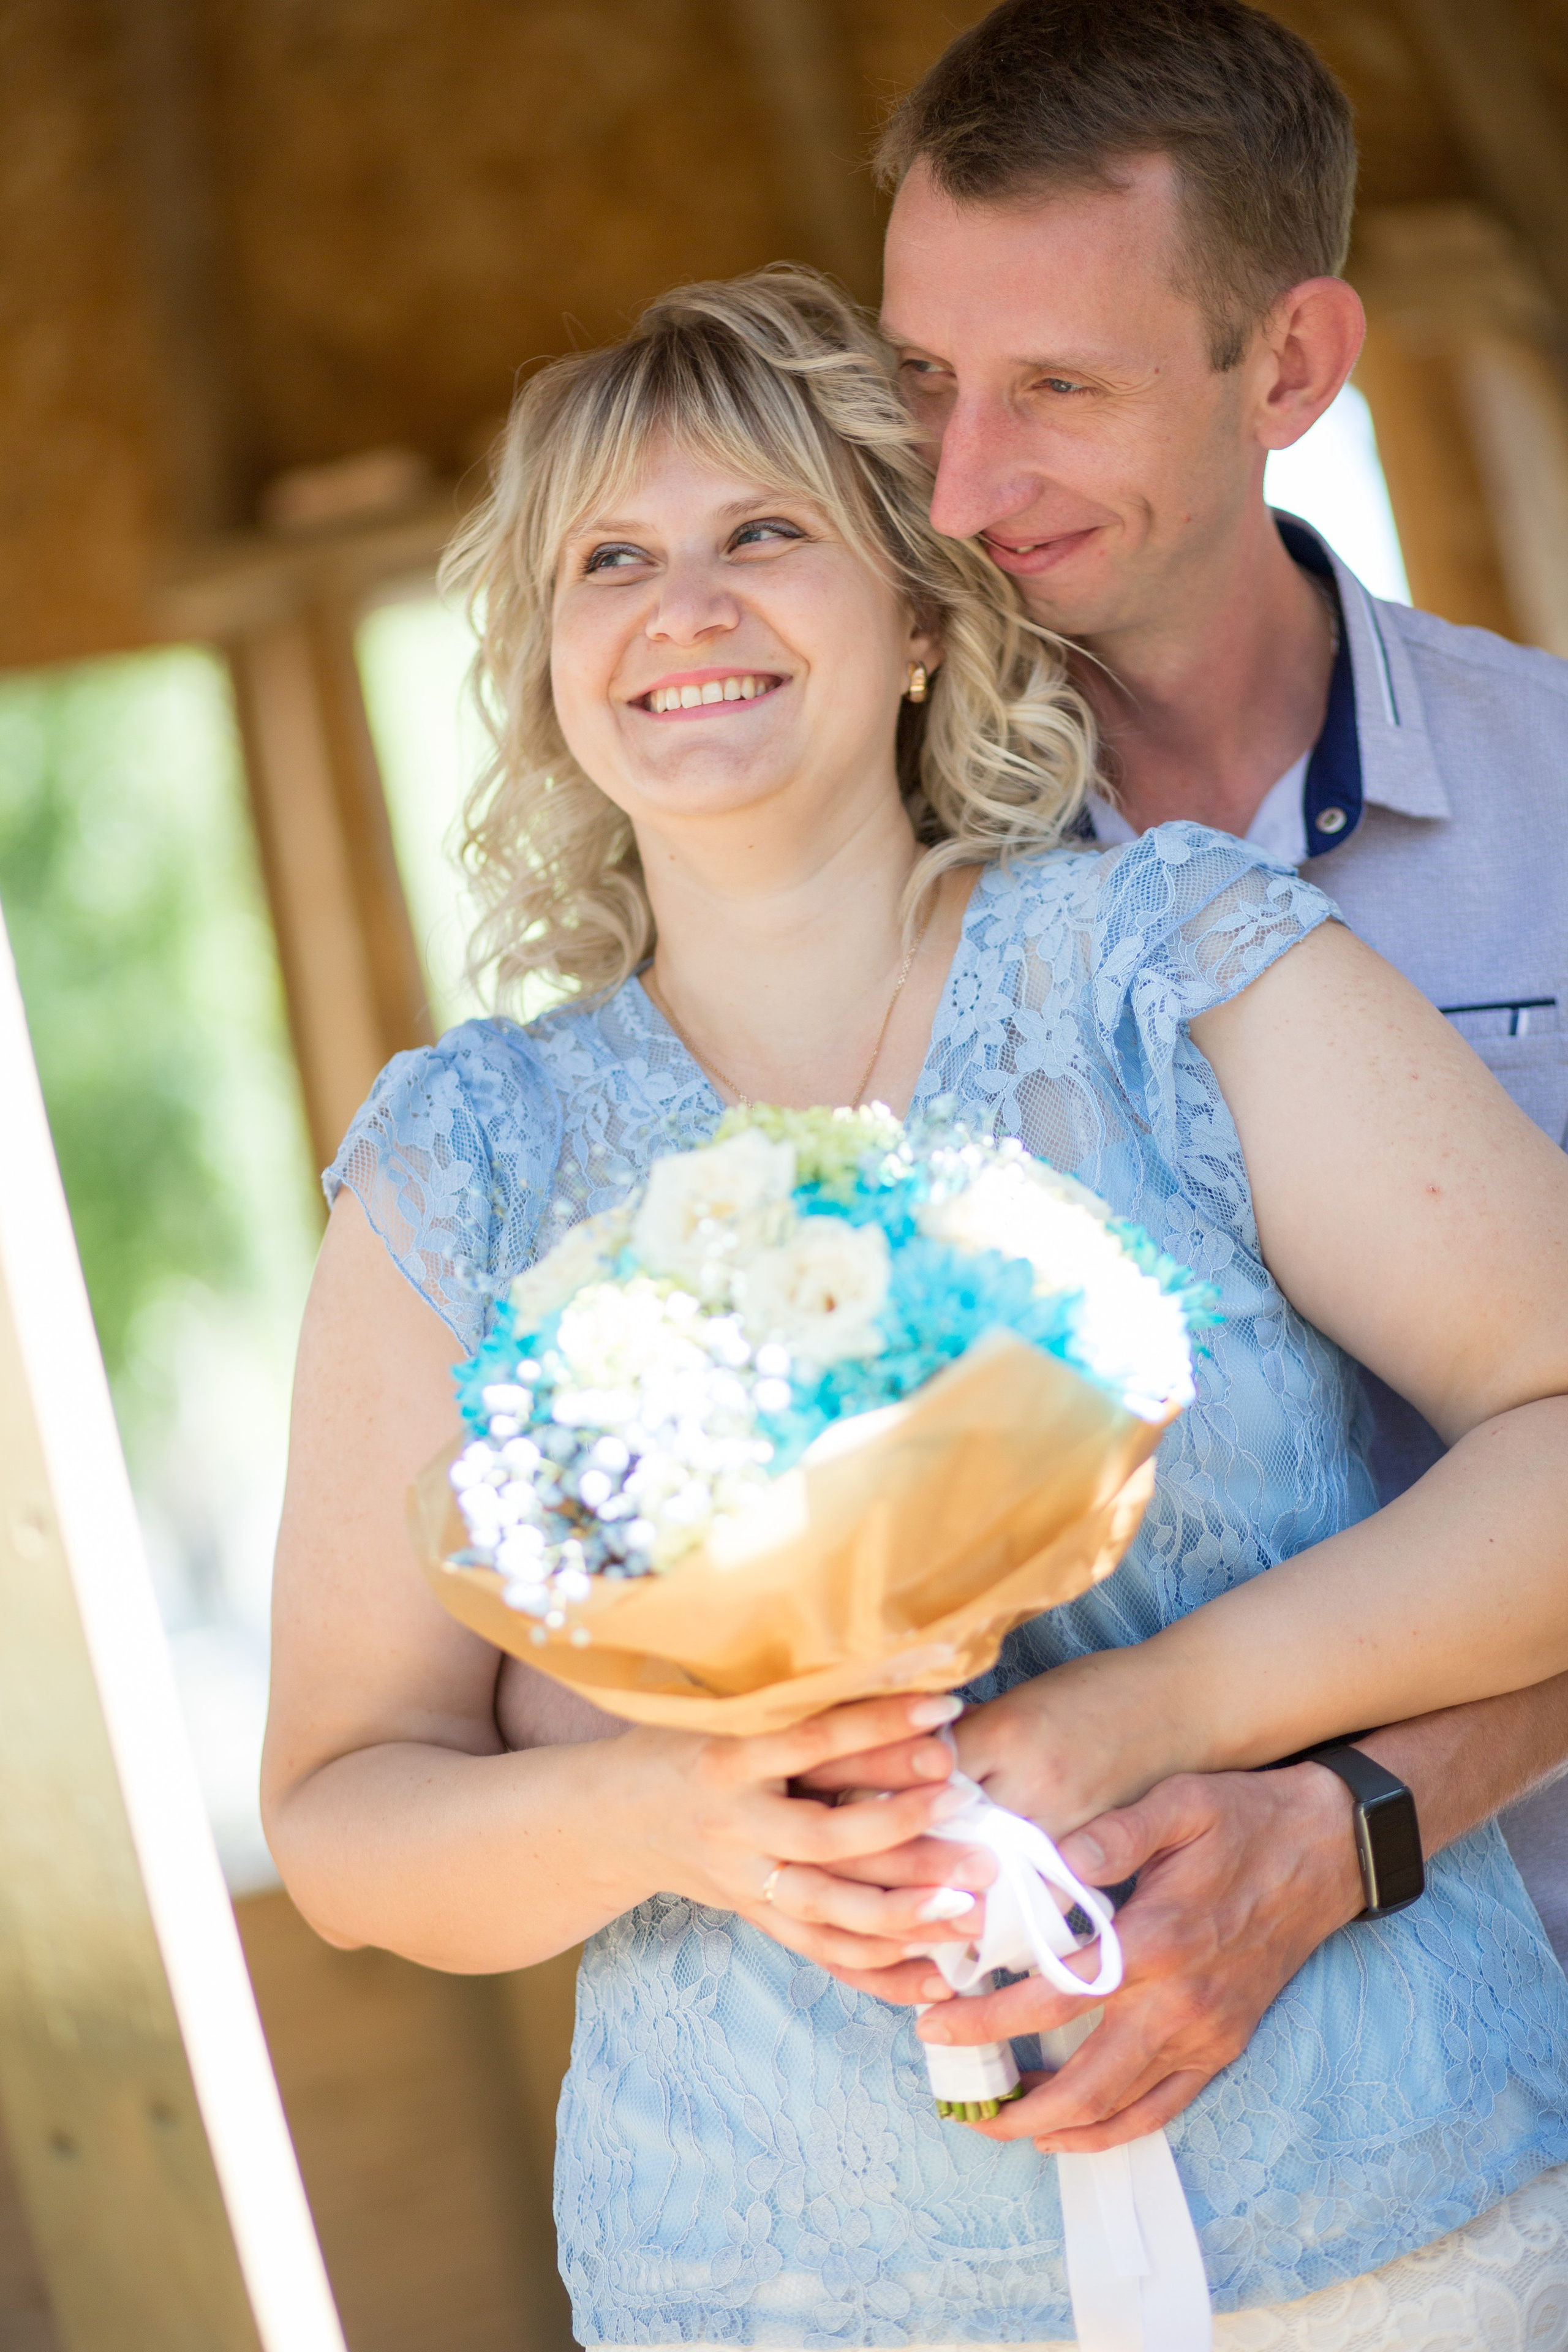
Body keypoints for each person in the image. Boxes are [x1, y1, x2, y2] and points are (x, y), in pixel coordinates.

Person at [262, 270, 1568, 2346]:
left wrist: (1147, 1716)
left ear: (929, 618)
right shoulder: (464, 1166)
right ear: (546, 674)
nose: (683, 606)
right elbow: (345, 1812)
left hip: (1399, 2226)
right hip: (774, 2287)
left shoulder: (1176, 970)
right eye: (611, 561)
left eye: (763, 532)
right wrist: (687, 1816)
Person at [854, 0, 1568, 2199]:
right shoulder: (855, 904)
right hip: (1144, 2161)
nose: (961, 490)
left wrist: (1349, 1827)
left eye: (1058, 390)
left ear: (1293, 367)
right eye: (920, 389)